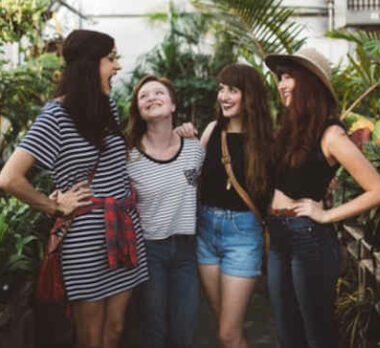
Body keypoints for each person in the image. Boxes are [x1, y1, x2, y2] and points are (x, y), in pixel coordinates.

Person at [0, 30, 149, 348]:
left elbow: (116, 161)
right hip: (86, 237)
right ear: (88, 65)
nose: (117, 66)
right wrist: (53, 205)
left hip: (123, 228)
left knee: (116, 330)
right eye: (111, 59)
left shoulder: (107, 107)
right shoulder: (55, 115)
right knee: (90, 338)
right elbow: (9, 177)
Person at [264, 47, 380, 348]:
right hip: (279, 237)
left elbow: (379, 190)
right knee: (287, 335)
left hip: (308, 240)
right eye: (280, 78)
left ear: (309, 82)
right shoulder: (290, 130)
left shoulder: (331, 134)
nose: (281, 84)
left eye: (288, 77)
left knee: (316, 336)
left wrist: (325, 215)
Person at [195, 63, 274, 348]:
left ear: (250, 95)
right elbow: (190, 177)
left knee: (227, 333)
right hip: (205, 233)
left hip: (243, 236)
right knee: (226, 329)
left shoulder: (267, 141)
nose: (224, 97)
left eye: (233, 90)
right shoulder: (213, 130)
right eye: (221, 89)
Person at [126, 74, 205, 348]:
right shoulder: (129, 156)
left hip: (187, 250)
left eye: (158, 92)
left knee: (184, 331)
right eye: (143, 96)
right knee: (153, 330)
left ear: (172, 105)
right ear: (138, 110)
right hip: (149, 251)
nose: (151, 98)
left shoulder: (194, 148)